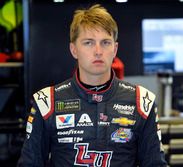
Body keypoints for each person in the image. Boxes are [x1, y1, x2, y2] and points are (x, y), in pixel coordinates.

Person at [17, 4, 167, 167]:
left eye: (105, 43)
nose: (98, 51)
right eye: (88, 43)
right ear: (74, 49)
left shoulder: (141, 102)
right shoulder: (46, 102)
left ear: (115, 49)